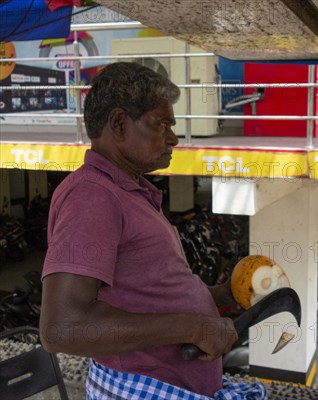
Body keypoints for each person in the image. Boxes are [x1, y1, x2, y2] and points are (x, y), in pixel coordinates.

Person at [39, 62, 264, 399]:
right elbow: (63, 328)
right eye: (162, 123)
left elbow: (142, 295)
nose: (173, 137)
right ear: (118, 123)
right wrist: (193, 327)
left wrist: (220, 295)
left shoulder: (128, 191)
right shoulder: (92, 196)